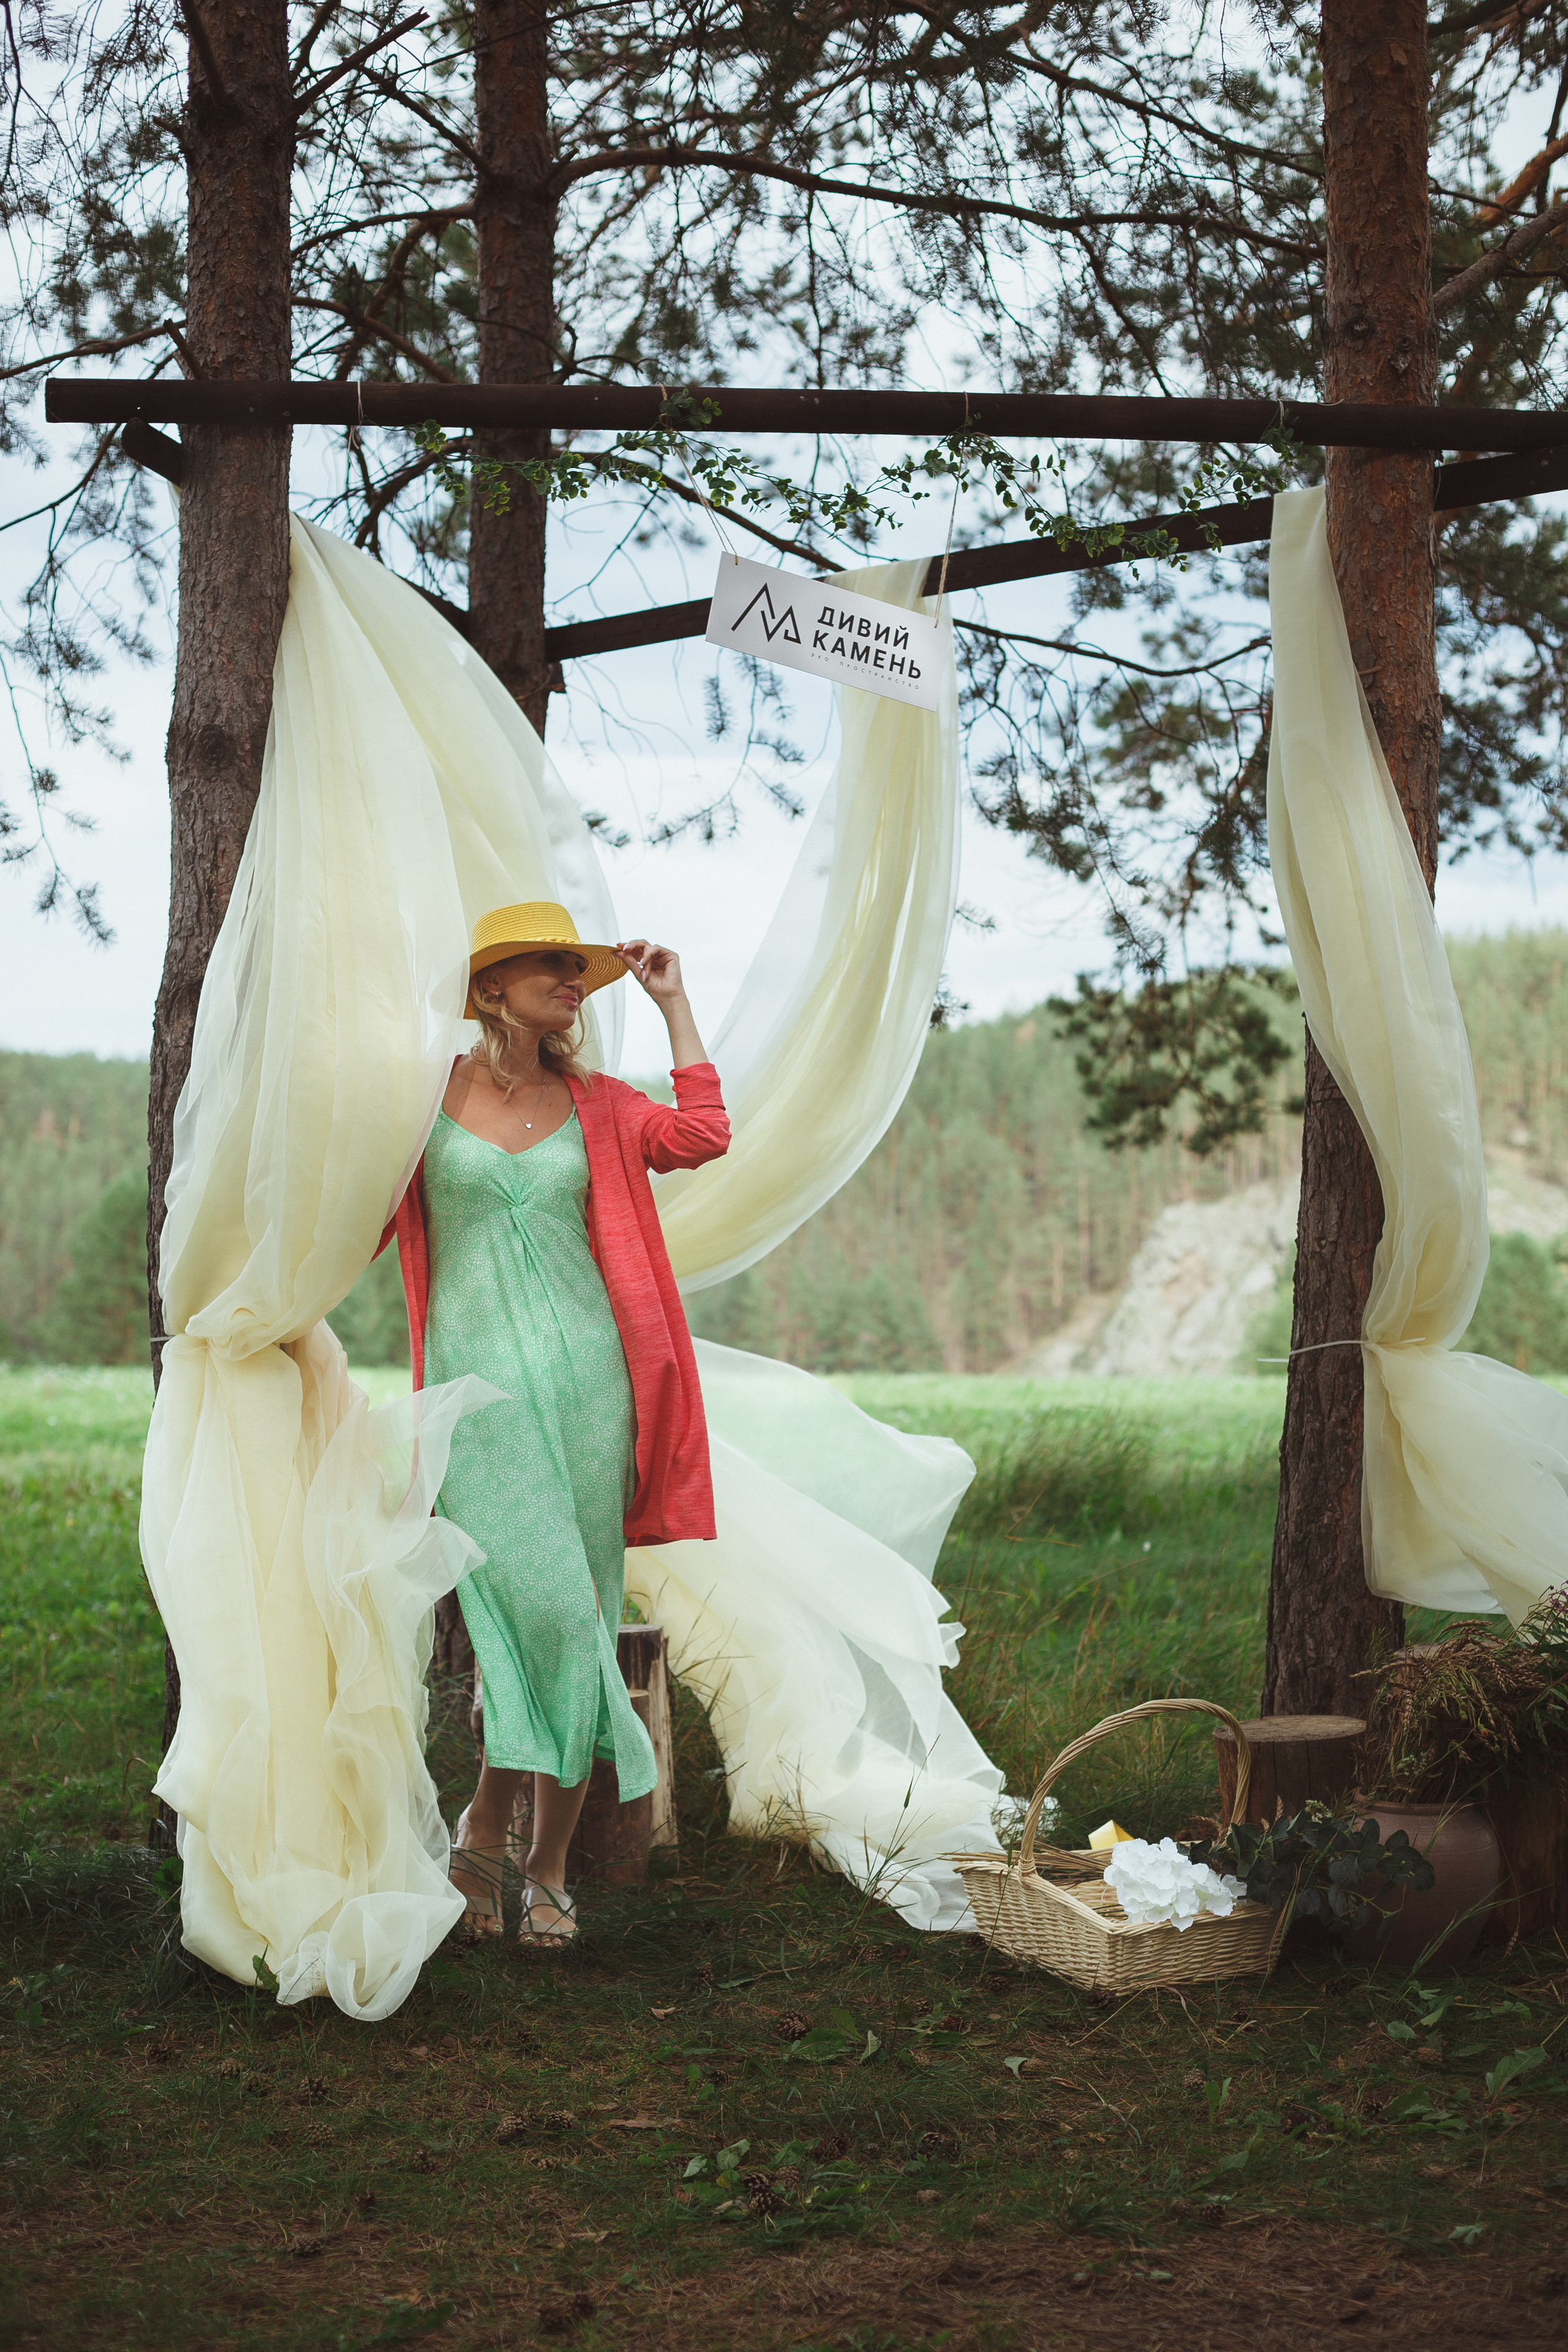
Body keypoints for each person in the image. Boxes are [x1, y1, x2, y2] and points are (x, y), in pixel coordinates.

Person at [382, 902, 729, 1945]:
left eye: (578, 971)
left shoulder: (601, 1107)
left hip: (588, 1385)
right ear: (491, 986)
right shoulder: (422, 1097)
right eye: (550, 966)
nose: (572, 982)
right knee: (529, 1609)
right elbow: (352, 1216)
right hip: (473, 1390)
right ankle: (489, 1820)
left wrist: (674, 1005)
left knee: (573, 1617)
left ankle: (539, 1868)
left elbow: (703, 1134)